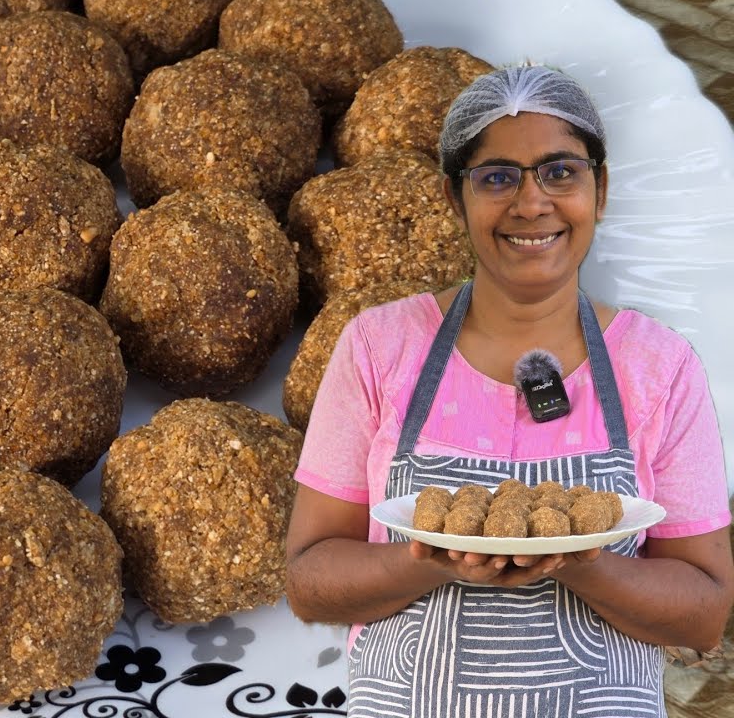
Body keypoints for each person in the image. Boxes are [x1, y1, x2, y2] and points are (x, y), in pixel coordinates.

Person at [284, 64, 734, 718]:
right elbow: (307, 583)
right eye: (496, 177)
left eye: (561, 172)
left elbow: (704, 614)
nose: (532, 203)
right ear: (452, 198)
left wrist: (584, 564)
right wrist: (427, 561)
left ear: (600, 190)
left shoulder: (659, 365)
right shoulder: (378, 346)